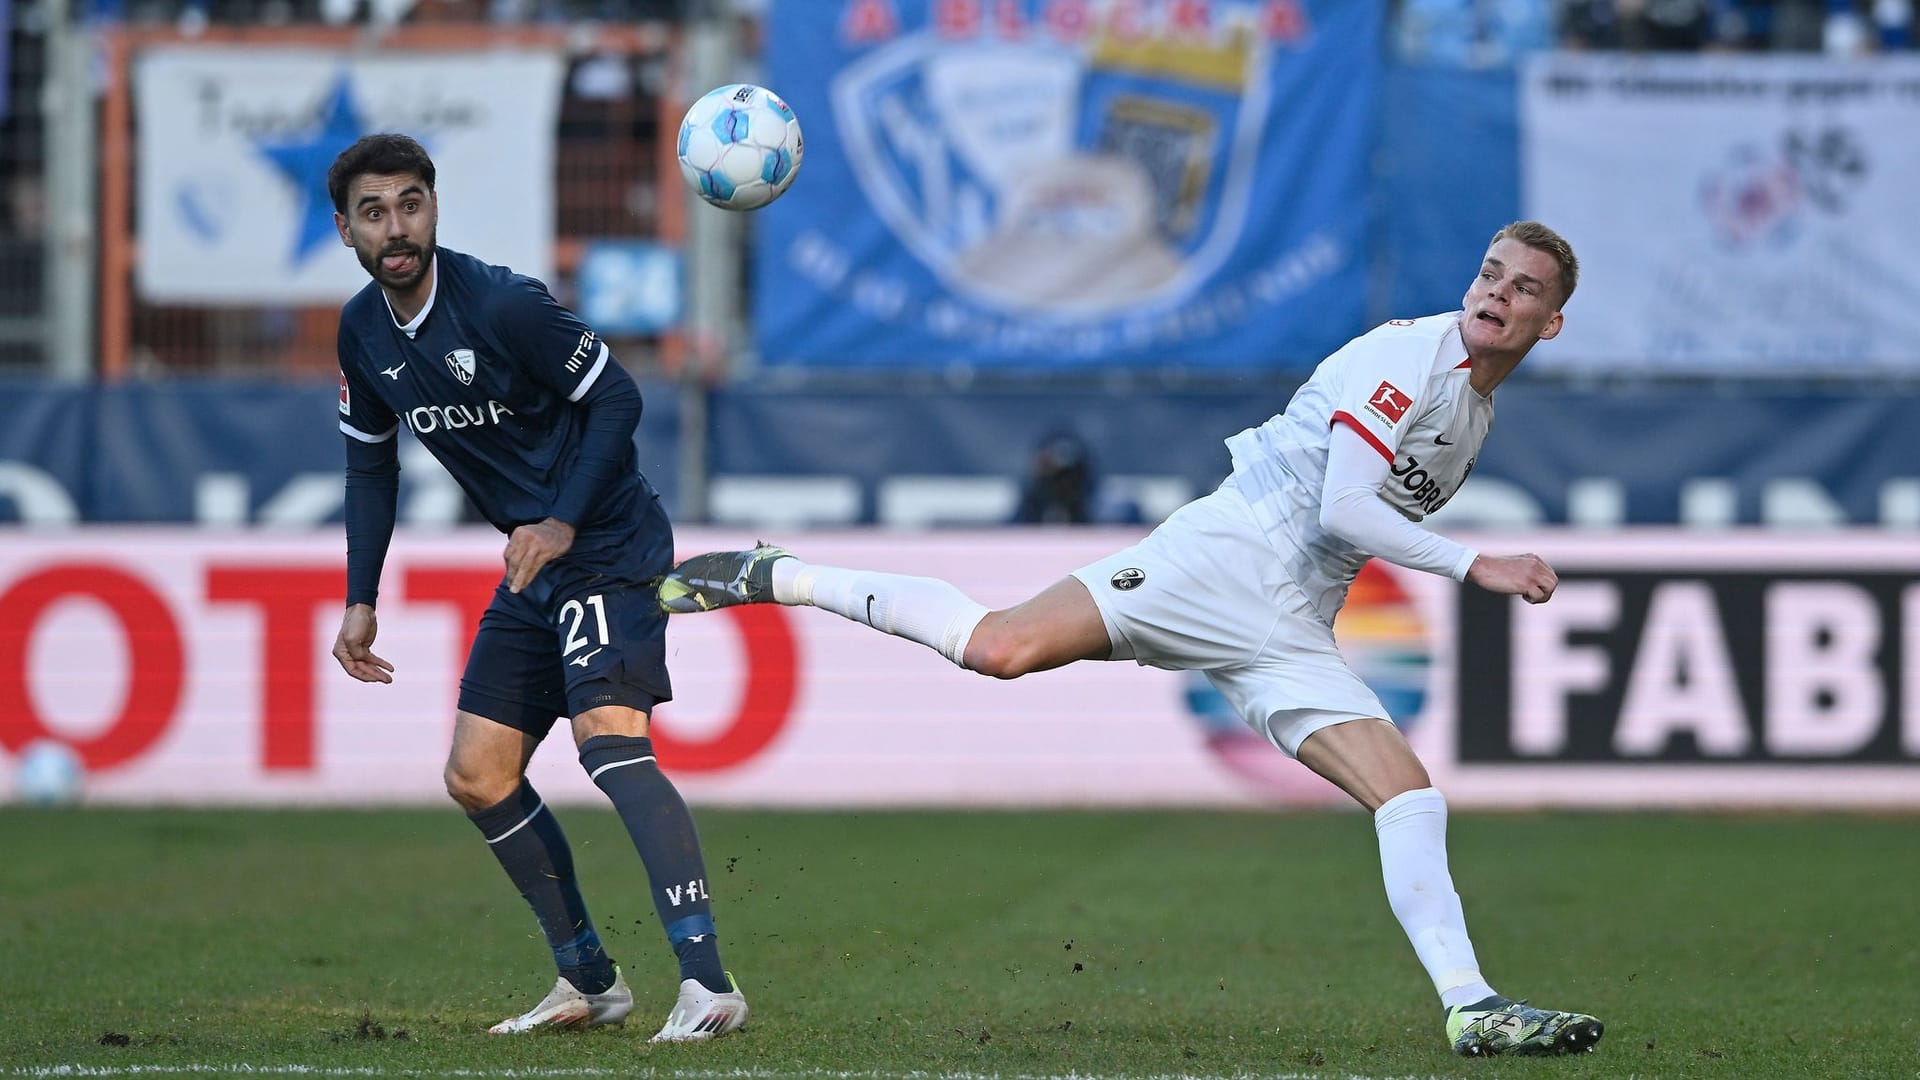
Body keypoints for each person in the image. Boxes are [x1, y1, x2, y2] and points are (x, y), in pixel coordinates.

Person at [658, 221, 1602, 1057]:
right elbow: (1347, 504)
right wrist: (1474, 562)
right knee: (998, 648)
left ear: (1548, 324)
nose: (1495, 293)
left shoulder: (1474, 409)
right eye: (1489, 272)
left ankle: (1472, 1007)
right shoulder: (1410, 357)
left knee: (1406, 792)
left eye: (1523, 288)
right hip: (1224, 559)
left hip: (1293, 621)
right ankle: (784, 575)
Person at [325, 133, 747, 1043]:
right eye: (374, 212)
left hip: (605, 541)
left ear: (433, 208)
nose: (396, 227)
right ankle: (590, 981)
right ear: (345, 231)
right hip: (534, 565)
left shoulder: (504, 304)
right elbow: (370, 469)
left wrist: (559, 519)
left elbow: (620, 398)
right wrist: (362, 594)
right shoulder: (362, 333)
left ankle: (708, 983)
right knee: (477, 776)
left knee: (610, 745)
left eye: (409, 203)